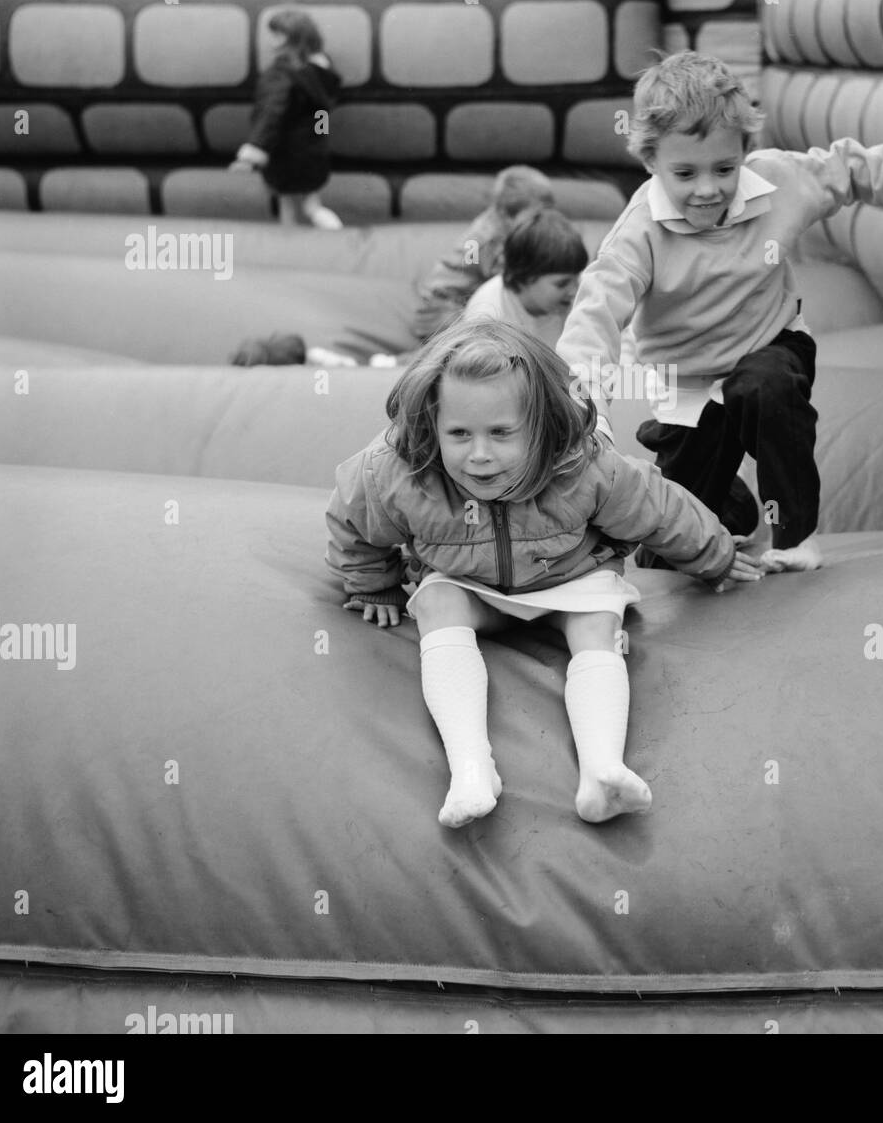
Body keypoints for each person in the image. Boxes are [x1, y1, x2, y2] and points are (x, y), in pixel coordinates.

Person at [325, 320, 763, 828]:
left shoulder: (583, 468)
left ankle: (602, 770)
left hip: (570, 578)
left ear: (540, 426)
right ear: (431, 426)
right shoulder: (400, 472)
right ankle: (471, 768)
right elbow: (352, 518)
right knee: (438, 604)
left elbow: (659, 510)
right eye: (459, 434)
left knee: (597, 623)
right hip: (470, 585)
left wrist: (718, 558)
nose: (480, 454)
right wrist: (372, 582)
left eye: (501, 433)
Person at [556, 50, 883, 574]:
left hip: (771, 344)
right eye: (684, 173)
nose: (707, 189)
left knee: (762, 386)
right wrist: (582, 386)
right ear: (650, 161)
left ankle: (795, 535)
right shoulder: (639, 231)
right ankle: (733, 507)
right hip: (688, 379)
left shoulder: (777, 180)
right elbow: (598, 307)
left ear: (746, 149)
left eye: (724, 168)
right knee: (669, 539)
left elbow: (847, 168)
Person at [407, 166, 555, 343]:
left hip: (463, 305)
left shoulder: (501, 226)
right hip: (442, 312)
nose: (542, 222)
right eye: (536, 216)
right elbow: (508, 280)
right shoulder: (486, 241)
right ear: (505, 214)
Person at [230, 7, 343, 229]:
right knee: (312, 206)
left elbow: (271, 113)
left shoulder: (282, 74)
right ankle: (338, 240)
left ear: (293, 37)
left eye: (278, 34)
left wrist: (254, 151)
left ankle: (295, 250)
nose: (273, 39)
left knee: (288, 206)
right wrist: (318, 140)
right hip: (313, 152)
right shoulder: (321, 70)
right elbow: (322, 113)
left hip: (286, 152)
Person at [462, 207, 588, 348]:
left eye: (577, 279)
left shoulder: (567, 300)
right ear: (525, 279)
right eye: (562, 284)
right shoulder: (489, 322)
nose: (575, 290)